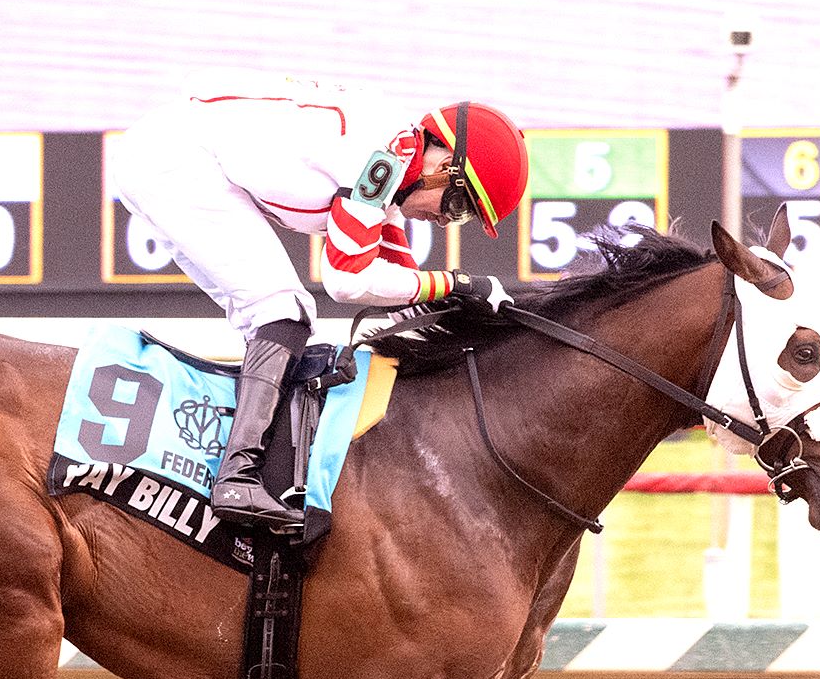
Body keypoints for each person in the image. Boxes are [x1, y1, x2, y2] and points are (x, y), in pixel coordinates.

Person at [110, 76, 530, 529]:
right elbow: (346, 280)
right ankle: (237, 475)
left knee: (275, 314)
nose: (447, 220)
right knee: (282, 311)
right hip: (173, 160)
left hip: (168, 155)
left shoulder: (395, 164)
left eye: (461, 217)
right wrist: (458, 282)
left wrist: (486, 318)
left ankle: (243, 466)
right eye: (459, 204)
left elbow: (405, 298)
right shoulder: (384, 159)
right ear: (444, 163)